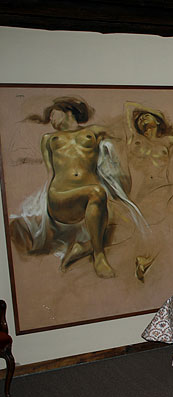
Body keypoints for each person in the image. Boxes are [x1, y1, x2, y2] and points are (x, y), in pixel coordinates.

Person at [10, 96, 142, 278]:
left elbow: (122, 135)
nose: (51, 120)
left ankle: (84, 247)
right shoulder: (49, 139)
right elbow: (50, 173)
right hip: (60, 197)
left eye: (53, 114)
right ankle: (98, 256)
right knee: (97, 192)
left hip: (89, 199)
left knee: (122, 218)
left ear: (67, 111)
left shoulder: (94, 132)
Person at [124, 102, 173, 282]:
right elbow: (128, 107)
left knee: (169, 227)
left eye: (147, 116)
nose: (142, 119)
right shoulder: (136, 140)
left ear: (158, 121)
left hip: (165, 188)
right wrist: (144, 112)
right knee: (146, 231)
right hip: (145, 192)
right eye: (140, 118)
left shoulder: (167, 141)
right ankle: (145, 260)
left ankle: (147, 260)